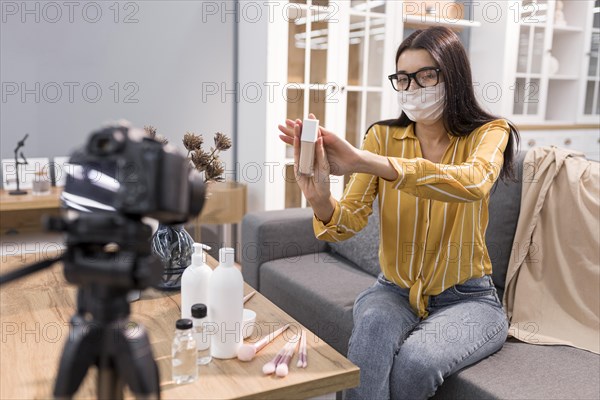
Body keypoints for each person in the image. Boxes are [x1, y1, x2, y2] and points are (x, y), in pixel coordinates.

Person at [278, 26, 520, 400]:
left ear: (453, 76)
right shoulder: (382, 137)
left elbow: (473, 184)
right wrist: (320, 198)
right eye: (403, 79)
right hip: (393, 290)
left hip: (469, 299)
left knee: (416, 363)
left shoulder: (489, 133)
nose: (413, 88)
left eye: (426, 75)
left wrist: (371, 163)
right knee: (370, 338)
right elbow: (349, 221)